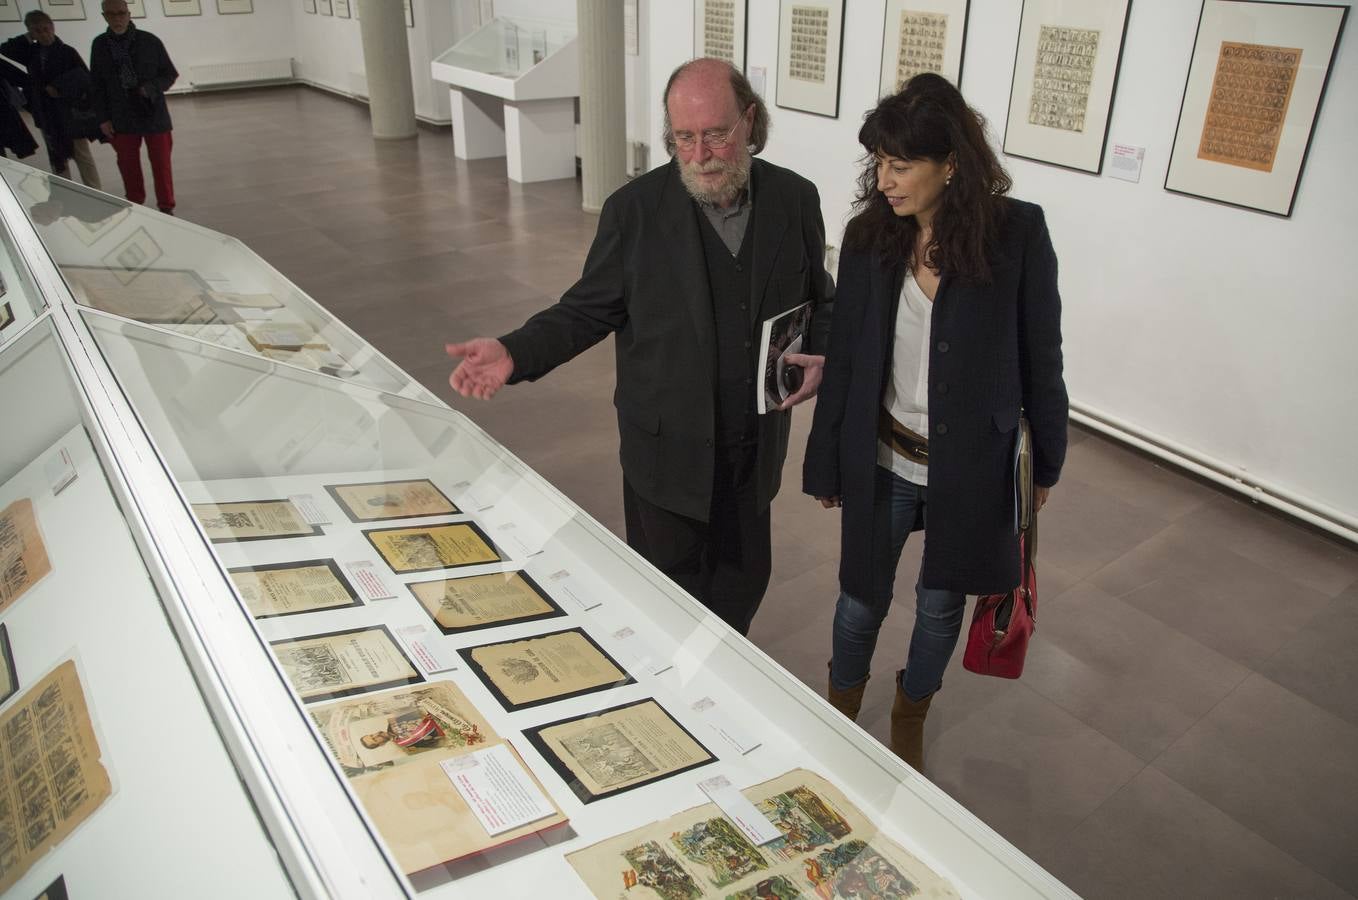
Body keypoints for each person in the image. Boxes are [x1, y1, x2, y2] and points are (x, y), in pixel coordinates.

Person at [446, 58, 834, 636]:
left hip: (752, 453)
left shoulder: (794, 200)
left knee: (741, 588)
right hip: (666, 461)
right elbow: (584, 310)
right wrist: (515, 352)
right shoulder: (634, 212)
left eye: (716, 134)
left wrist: (821, 352)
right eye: (684, 137)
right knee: (663, 605)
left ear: (749, 123)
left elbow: (819, 300)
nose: (699, 154)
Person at [803, 74, 1067, 771]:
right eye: (879, 165)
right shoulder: (869, 239)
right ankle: (840, 711)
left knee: (939, 607)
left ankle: (910, 714)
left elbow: (1043, 357)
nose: (884, 181)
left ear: (950, 162)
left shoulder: (1016, 235)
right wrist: (826, 460)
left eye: (900, 165)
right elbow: (850, 361)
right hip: (885, 456)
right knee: (859, 601)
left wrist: (1046, 466)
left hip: (970, 466)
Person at [88, 0, 177, 213]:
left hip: (153, 114)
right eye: (111, 14)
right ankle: (136, 204)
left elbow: (169, 74)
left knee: (161, 164)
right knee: (128, 165)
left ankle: (166, 207)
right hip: (121, 116)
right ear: (104, 16)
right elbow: (97, 85)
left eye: (121, 13)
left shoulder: (149, 41)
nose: (117, 19)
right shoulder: (100, 45)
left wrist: (151, 88)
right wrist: (102, 118)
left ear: (129, 14)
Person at [1, 10, 102, 188]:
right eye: (37, 31)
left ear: (53, 28)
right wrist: (28, 37)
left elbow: (84, 78)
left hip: (71, 111)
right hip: (47, 113)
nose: (44, 34)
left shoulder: (67, 51)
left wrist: (60, 89)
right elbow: (6, 49)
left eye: (46, 29)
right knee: (56, 154)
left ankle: (96, 190)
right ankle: (65, 191)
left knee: (81, 154)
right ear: (32, 33)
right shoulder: (32, 52)